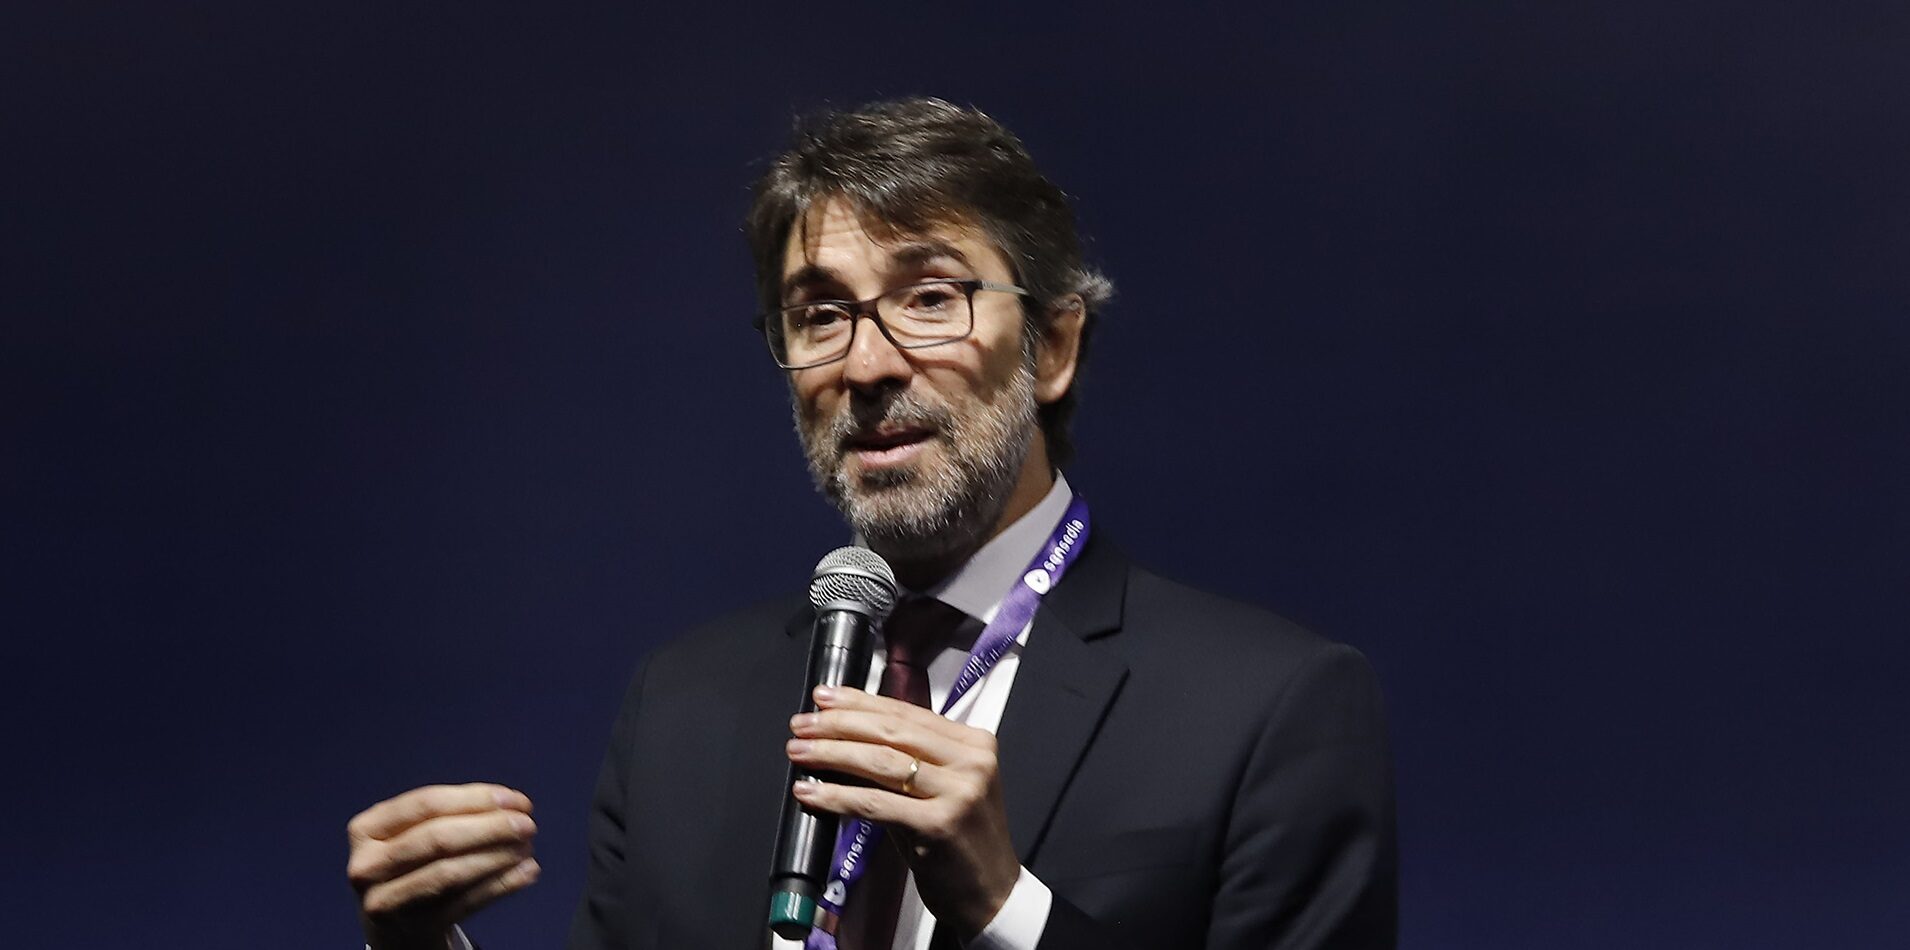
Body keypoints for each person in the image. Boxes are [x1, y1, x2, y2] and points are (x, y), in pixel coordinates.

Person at [345, 97, 1396, 950]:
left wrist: (1006, 911)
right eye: (820, 313)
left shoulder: (1267, 711)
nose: (866, 362)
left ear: (1054, 347)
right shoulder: (682, 706)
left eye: (929, 297)